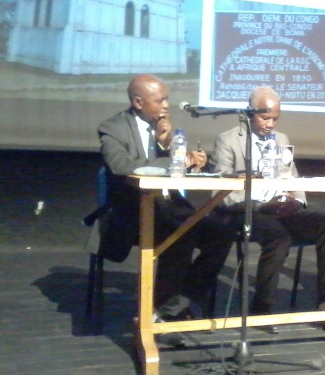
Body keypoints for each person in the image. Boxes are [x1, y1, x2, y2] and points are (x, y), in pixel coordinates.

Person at [97, 74, 235, 345]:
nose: (166, 106)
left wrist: (187, 159)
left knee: (222, 232)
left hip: (170, 207)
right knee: (180, 235)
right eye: (160, 100)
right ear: (138, 102)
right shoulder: (111, 127)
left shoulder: (164, 129)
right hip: (132, 212)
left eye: (167, 99)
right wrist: (169, 157)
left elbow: (173, 170)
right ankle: (163, 313)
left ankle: (173, 305)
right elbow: (122, 166)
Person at [210, 86, 325, 337]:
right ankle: (262, 307)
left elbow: (294, 178)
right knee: (279, 237)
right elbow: (221, 191)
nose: (270, 124)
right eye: (264, 118)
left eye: (275, 118)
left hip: (279, 207)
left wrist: (296, 201)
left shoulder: (282, 140)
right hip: (246, 210)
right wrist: (259, 205)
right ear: (249, 113)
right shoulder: (229, 139)